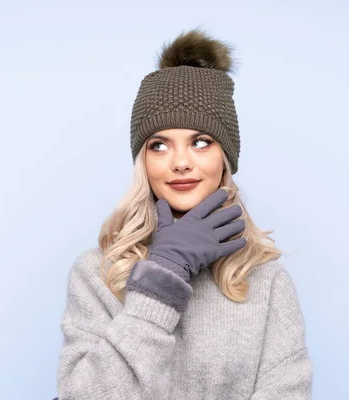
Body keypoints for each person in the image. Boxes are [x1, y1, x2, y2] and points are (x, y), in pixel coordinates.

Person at [54, 28, 312, 399]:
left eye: (200, 142)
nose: (179, 162)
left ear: (225, 157)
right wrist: (162, 277)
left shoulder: (268, 283)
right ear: (143, 161)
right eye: (159, 145)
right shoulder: (97, 276)